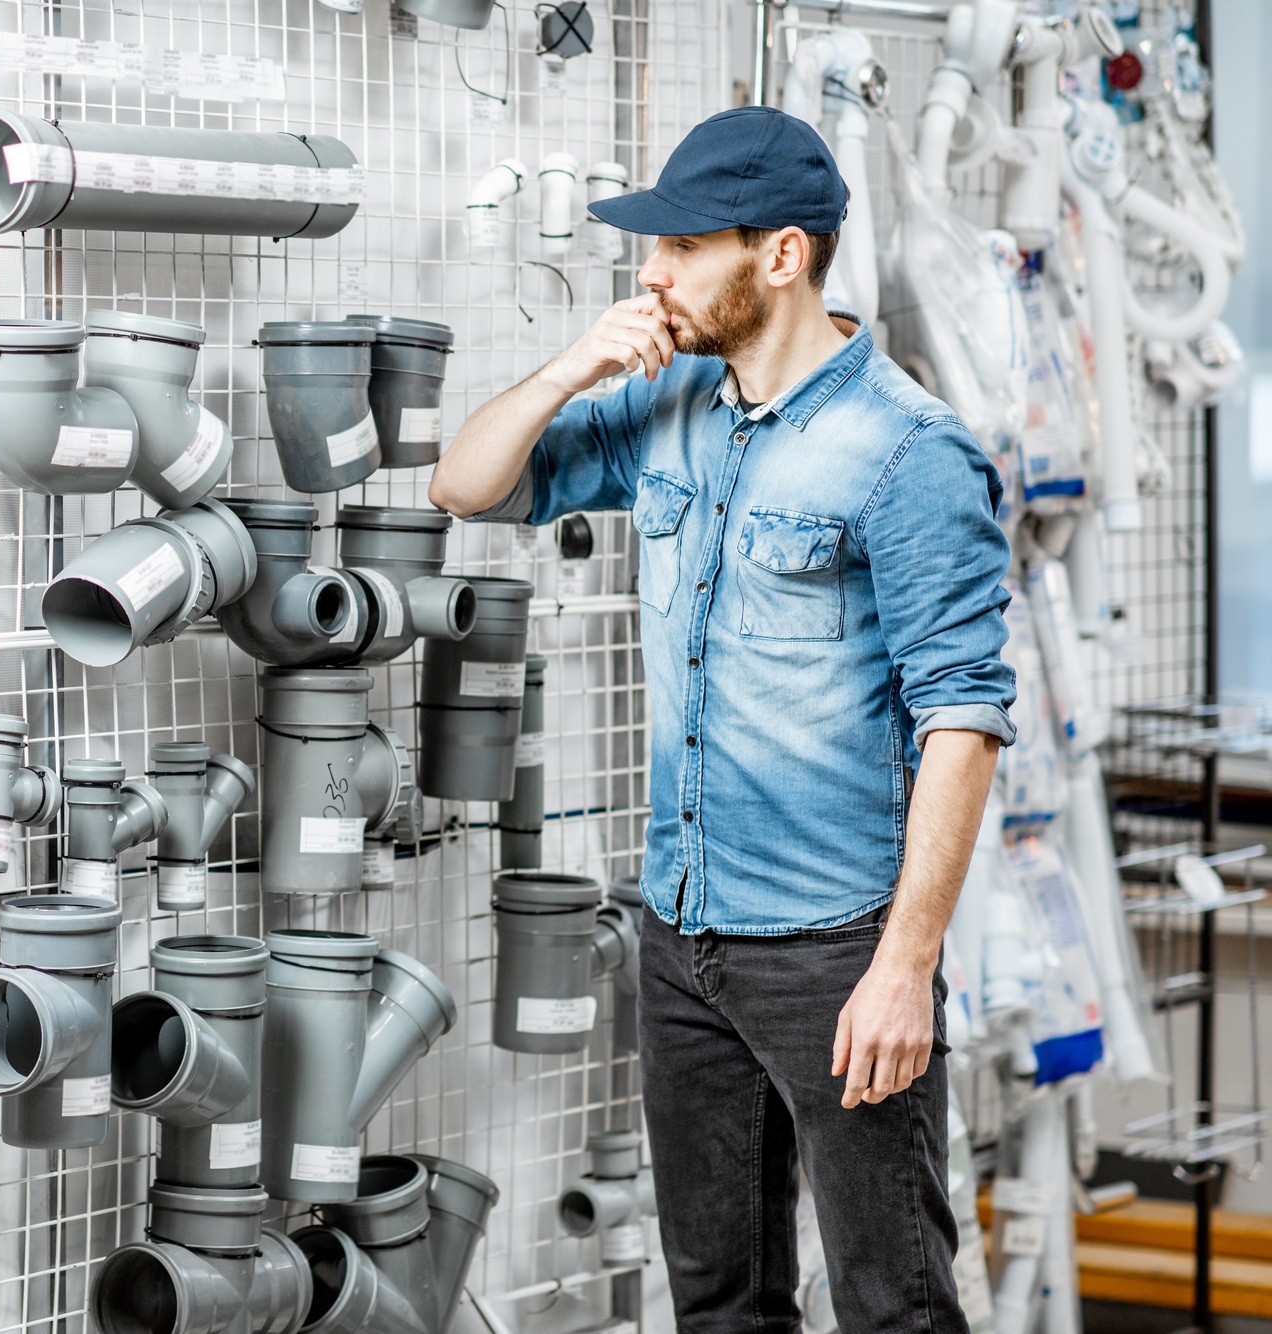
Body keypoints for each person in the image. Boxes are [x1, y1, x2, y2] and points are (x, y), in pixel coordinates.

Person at [430, 105, 1015, 1333]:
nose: (650, 272)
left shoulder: (904, 452)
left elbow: (959, 723)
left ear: (781, 255)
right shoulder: (666, 405)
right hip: (681, 932)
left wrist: (902, 967)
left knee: (889, 1301)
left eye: (682, 246)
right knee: (716, 1303)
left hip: (832, 953)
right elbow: (463, 482)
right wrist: (569, 368)